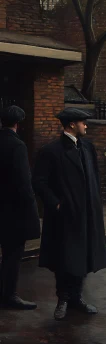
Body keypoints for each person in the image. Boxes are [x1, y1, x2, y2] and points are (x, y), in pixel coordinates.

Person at [33, 107, 106, 320]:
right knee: (64, 259)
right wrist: (56, 204)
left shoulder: (87, 148)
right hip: (65, 216)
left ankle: (76, 298)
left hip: (87, 213)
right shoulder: (51, 151)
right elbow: (39, 182)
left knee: (83, 256)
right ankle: (63, 299)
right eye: (83, 122)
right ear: (72, 125)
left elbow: (94, 177)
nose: (86, 125)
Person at [0, 106, 40, 310]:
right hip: (12, 212)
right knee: (12, 255)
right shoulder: (17, 146)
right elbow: (24, 184)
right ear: (18, 123)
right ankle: (9, 296)